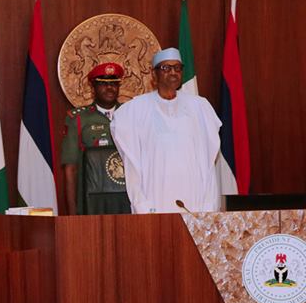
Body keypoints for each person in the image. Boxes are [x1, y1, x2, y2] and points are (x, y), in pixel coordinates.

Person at [111, 48, 222, 214]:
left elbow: (209, 157)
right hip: (155, 193)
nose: (173, 73)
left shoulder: (199, 107)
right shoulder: (135, 109)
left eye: (177, 68)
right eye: (166, 68)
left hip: (194, 195)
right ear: (154, 74)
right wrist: (141, 202)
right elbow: (130, 155)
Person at [61, 62, 131, 215]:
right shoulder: (78, 119)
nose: (110, 88)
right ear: (93, 88)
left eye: (114, 84)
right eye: (103, 84)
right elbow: (70, 169)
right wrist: (73, 214)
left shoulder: (131, 115)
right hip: (92, 202)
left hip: (128, 200)